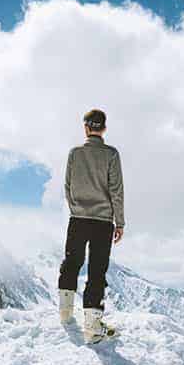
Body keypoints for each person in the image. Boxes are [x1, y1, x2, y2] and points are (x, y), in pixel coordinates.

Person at [58, 108, 124, 342]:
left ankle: (65, 314)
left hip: (78, 218)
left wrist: (76, 209)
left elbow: (68, 186)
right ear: (103, 128)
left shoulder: (74, 153)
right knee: (97, 271)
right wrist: (120, 222)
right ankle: (93, 329)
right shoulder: (112, 154)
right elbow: (116, 191)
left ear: (86, 127)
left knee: (72, 262)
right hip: (103, 221)